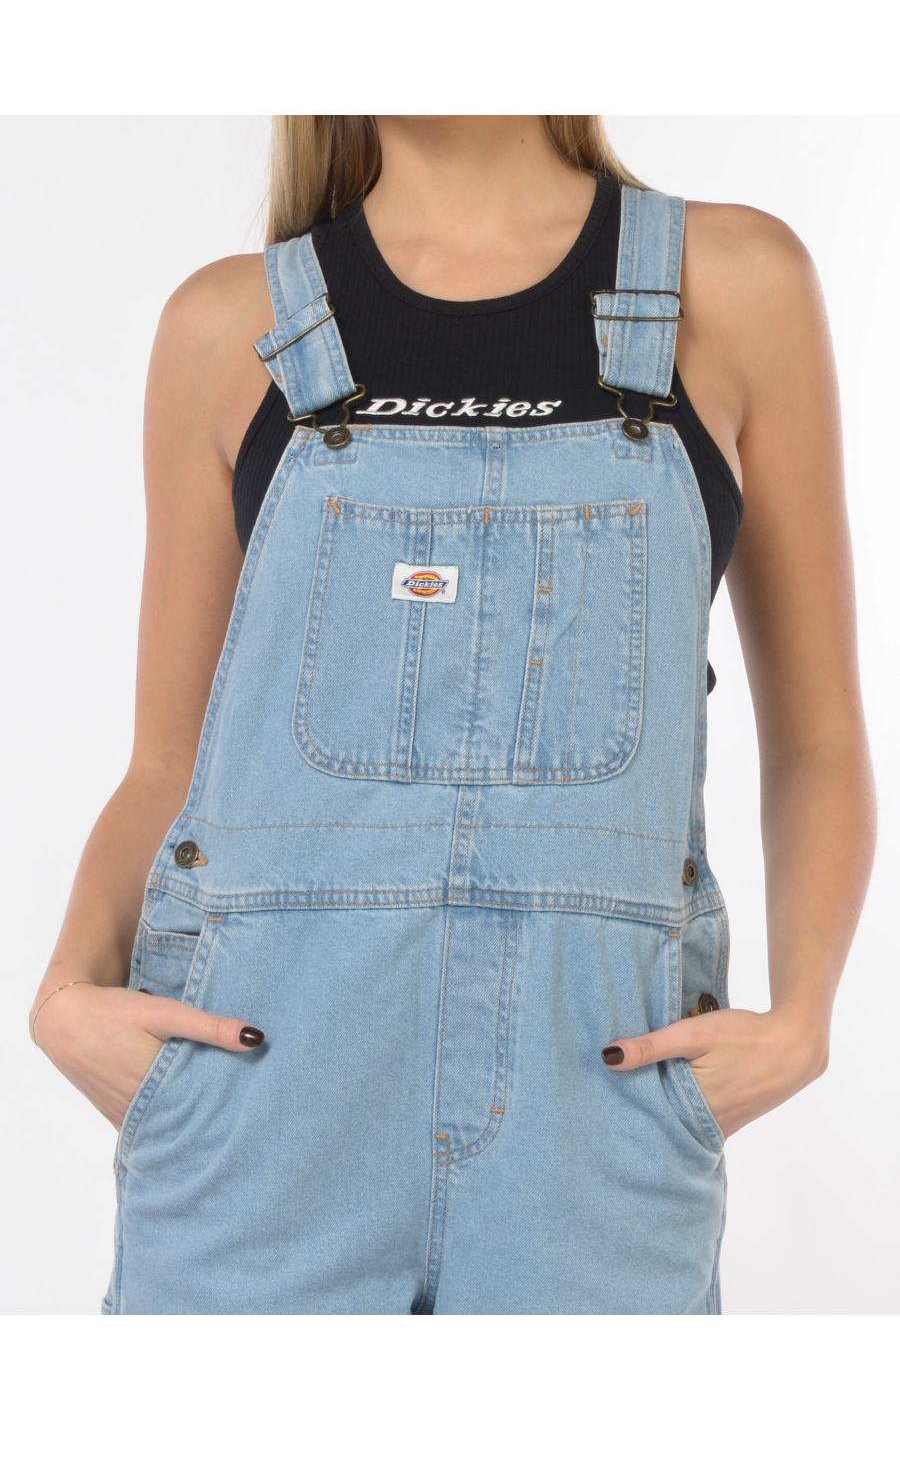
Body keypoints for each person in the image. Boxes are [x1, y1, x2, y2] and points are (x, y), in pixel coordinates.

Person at [29, 116, 875, 1315]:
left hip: (596, 1135)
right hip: (258, 1117)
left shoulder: (733, 285)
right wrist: (67, 988)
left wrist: (805, 1019)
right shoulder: (227, 326)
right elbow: (168, 766)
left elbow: (820, 738)